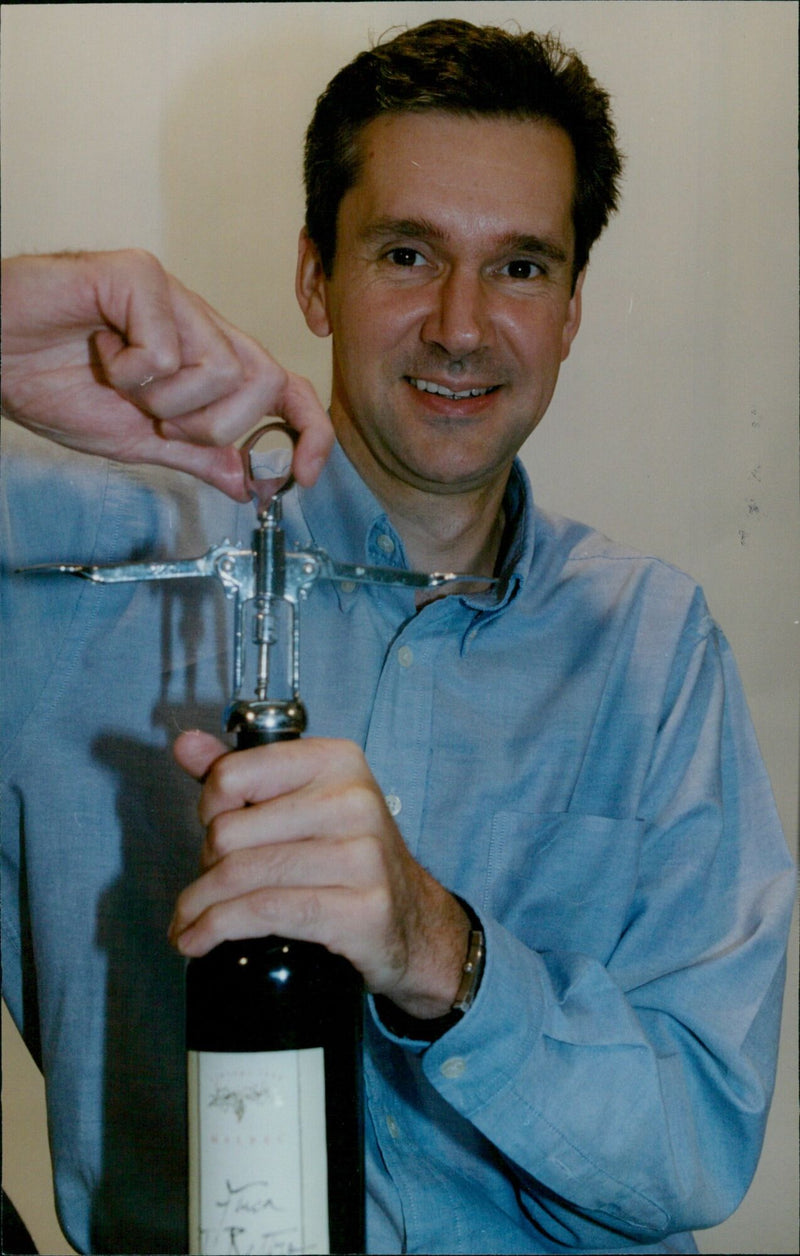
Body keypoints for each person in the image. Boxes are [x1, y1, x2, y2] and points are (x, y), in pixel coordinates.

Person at [1, 19, 793, 1256]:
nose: (462, 324)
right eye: (408, 252)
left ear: (574, 307)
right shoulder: (74, 566)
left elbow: (698, 1134)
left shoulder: (653, 640)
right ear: (316, 273)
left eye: (521, 266)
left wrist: (438, 947)